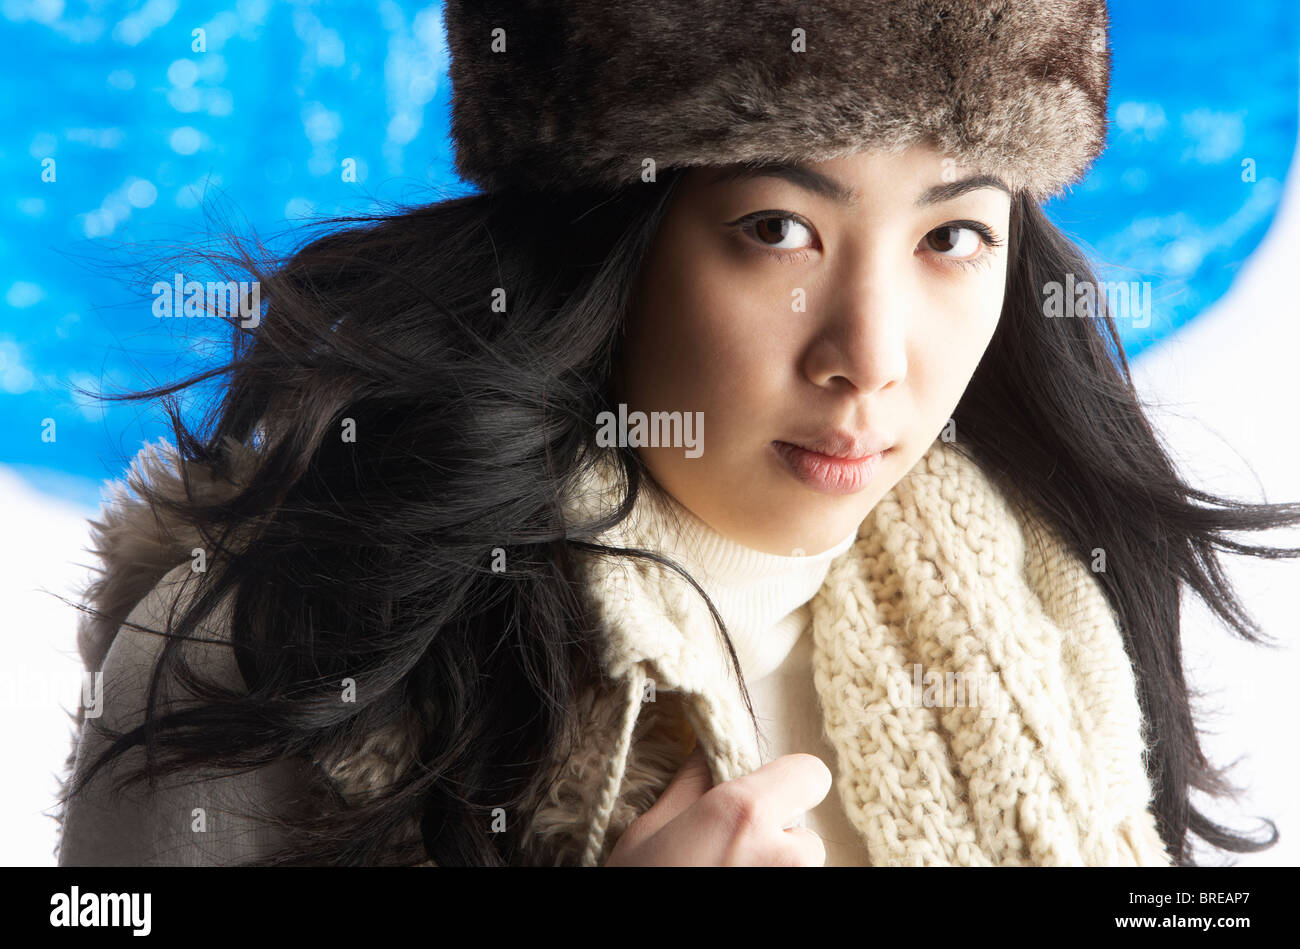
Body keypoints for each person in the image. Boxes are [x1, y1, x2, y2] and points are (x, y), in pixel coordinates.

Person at [54, 0, 1299, 866]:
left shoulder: (1046, 609)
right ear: (612, 241)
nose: (867, 355)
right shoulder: (271, 649)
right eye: (775, 229)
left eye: (951, 236)